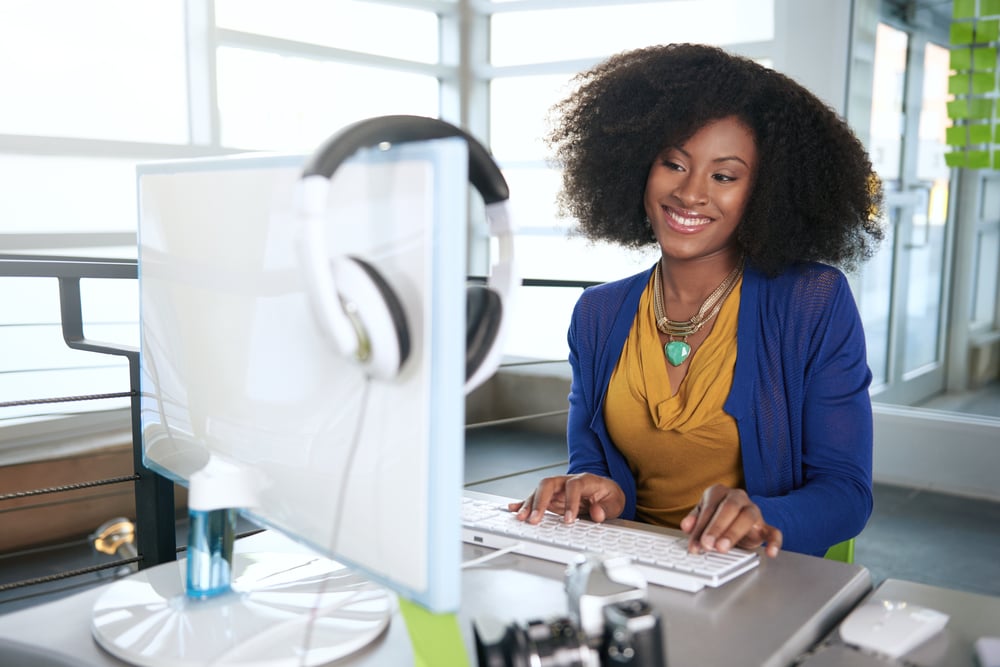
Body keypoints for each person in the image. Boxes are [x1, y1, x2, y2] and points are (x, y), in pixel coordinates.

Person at [510, 43, 884, 559]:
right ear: (640, 168)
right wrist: (598, 492)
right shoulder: (597, 315)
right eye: (674, 164)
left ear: (765, 192)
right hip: (633, 571)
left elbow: (847, 493)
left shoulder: (809, 301)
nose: (690, 193)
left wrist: (760, 516)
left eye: (724, 176)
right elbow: (592, 464)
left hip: (757, 575)